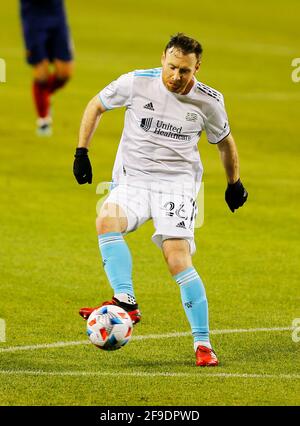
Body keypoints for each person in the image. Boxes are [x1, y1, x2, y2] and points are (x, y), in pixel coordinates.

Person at [73, 33, 248, 366]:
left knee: (177, 259)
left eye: (185, 71)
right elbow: (96, 105)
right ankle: (126, 301)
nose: (176, 77)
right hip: (133, 180)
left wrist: (234, 183)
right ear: (162, 60)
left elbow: (224, 143)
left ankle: (203, 344)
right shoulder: (136, 83)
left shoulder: (209, 101)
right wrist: (82, 152)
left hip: (177, 187)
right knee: (105, 220)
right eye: (171, 67)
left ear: (197, 67)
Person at [20, 0, 74, 135]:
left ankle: (43, 97)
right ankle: (43, 121)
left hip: (56, 13)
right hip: (33, 16)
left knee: (65, 73)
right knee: (42, 75)